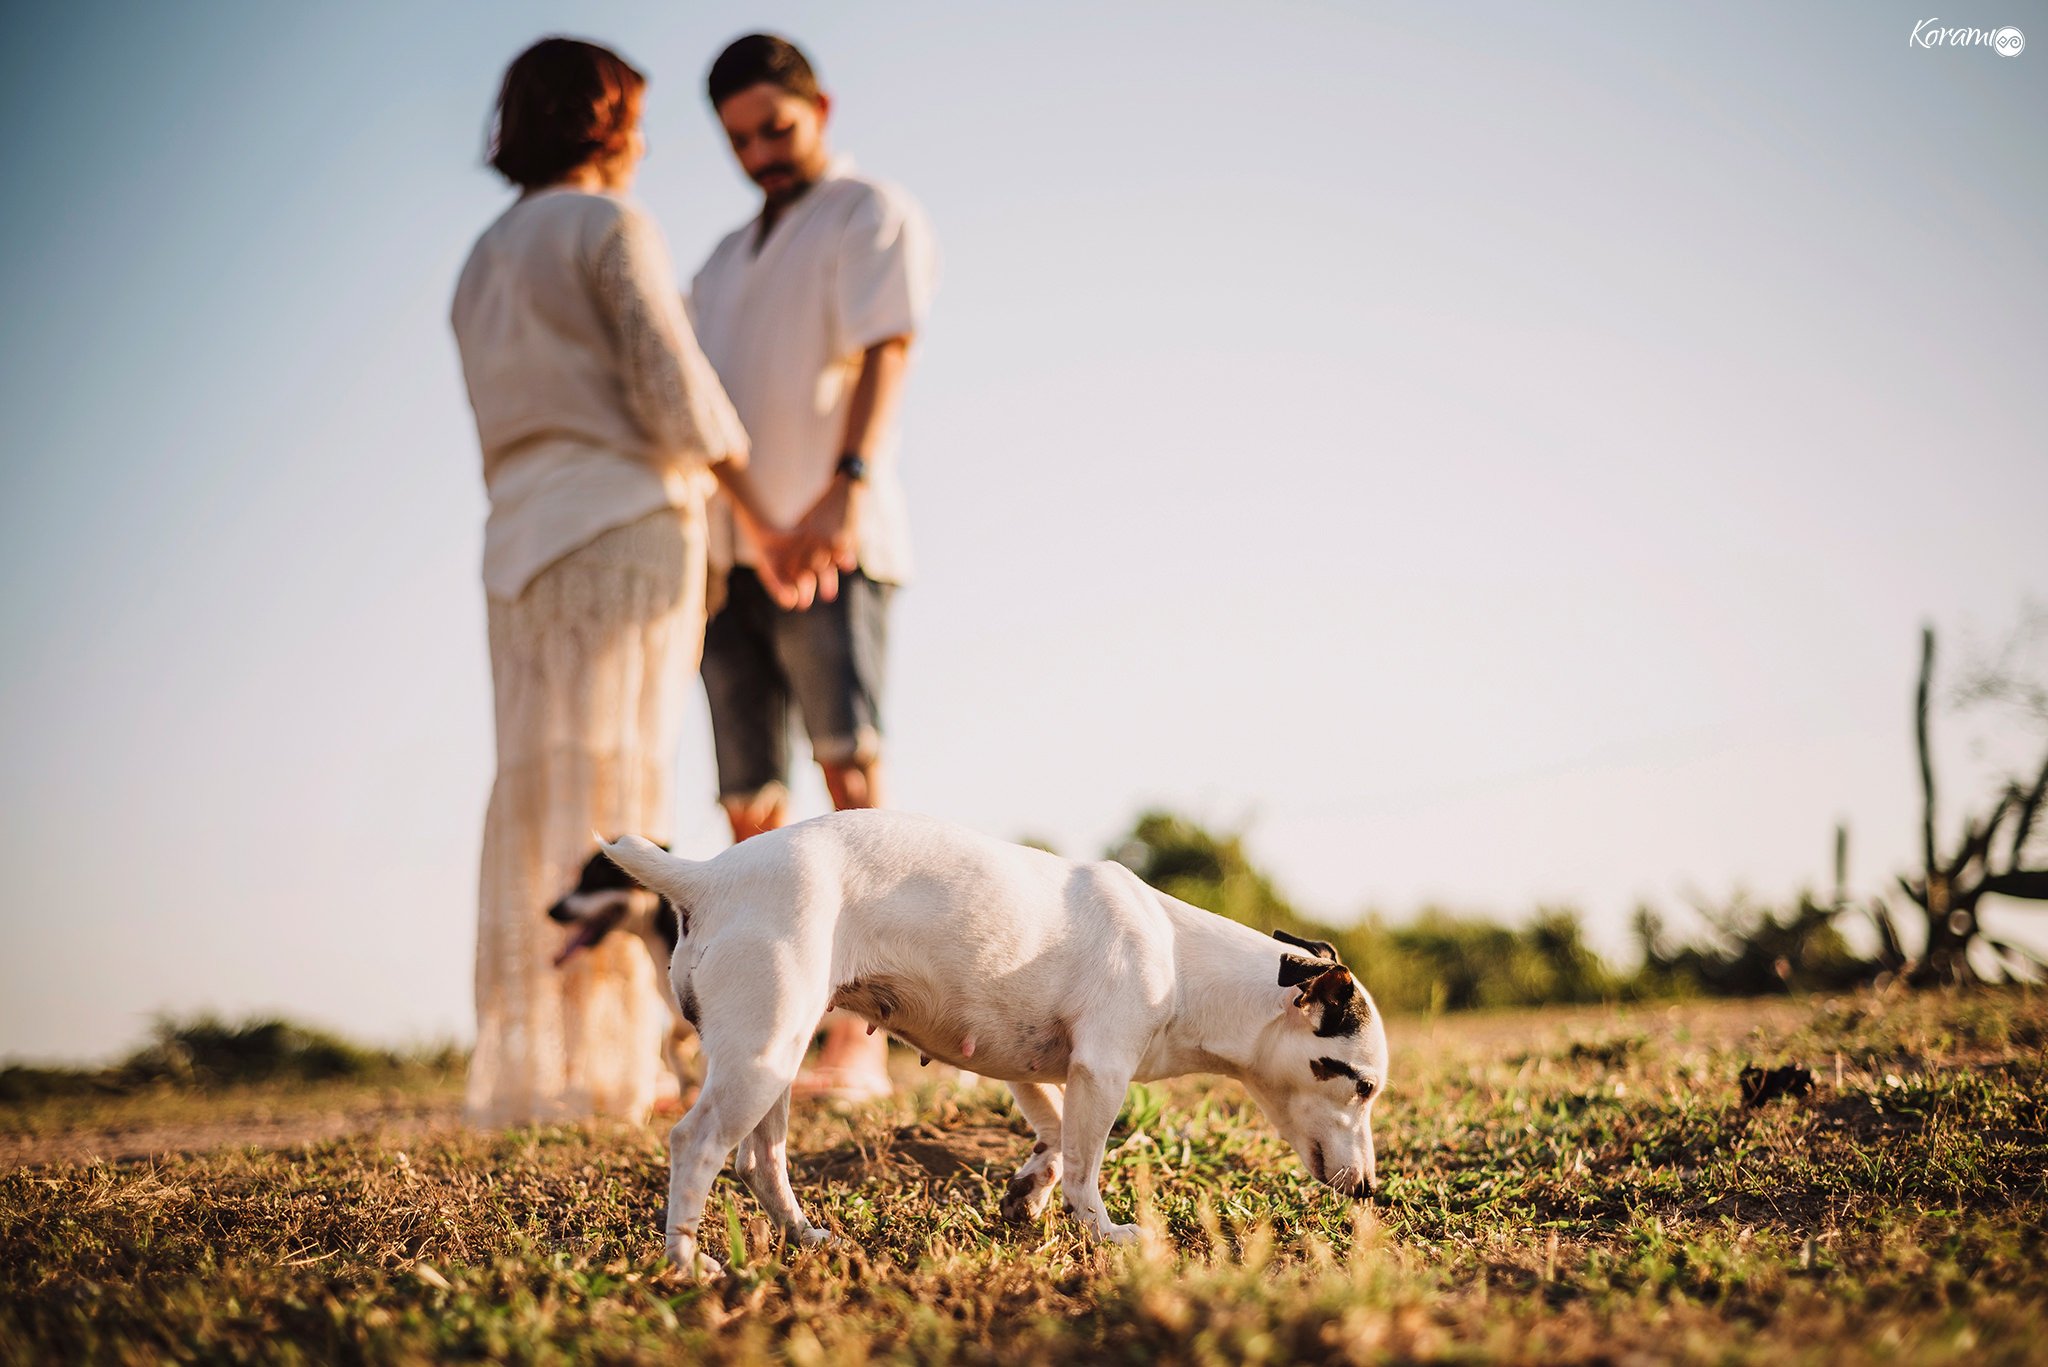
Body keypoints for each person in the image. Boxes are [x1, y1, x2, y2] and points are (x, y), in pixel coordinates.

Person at [450, 37, 808, 1126]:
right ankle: (620, 1061)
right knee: (621, 774)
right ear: (600, 123)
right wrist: (763, 521)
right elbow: (678, 394)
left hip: (516, 543)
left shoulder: (478, 261)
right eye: (634, 121)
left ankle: (538, 1058)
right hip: (622, 524)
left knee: (534, 785)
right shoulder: (609, 225)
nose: (644, 145)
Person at [690, 34, 940, 1101]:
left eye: (775, 129)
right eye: (739, 140)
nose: (759, 154)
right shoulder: (716, 262)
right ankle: (764, 1036)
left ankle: (863, 1040)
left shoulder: (868, 212)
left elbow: (890, 346)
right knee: (746, 806)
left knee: (851, 782)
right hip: (730, 556)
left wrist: (844, 486)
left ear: (819, 108)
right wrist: (746, 529)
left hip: (835, 534)